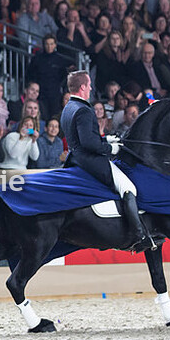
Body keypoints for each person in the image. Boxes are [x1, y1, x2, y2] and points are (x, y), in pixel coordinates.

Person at [61, 70, 155, 252]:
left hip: (76, 158)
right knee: (128, 188)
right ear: (82, 87)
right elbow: (89, 143)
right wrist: (110, 148)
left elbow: (83, 138)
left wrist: (107, 139)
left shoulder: (68, 107)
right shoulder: (84, 110)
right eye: (88, 85)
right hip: (90, 161)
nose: (90, 88)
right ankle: (139, 235)